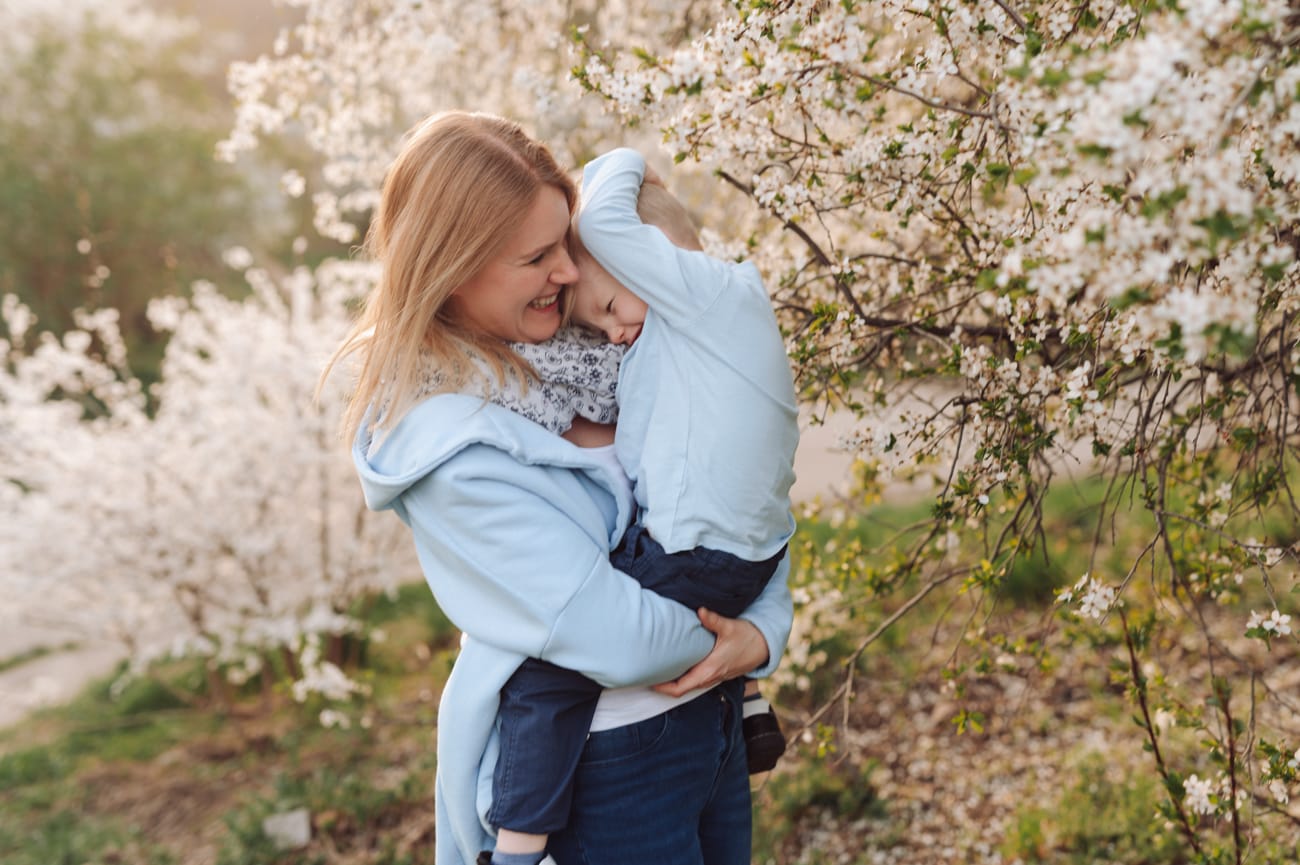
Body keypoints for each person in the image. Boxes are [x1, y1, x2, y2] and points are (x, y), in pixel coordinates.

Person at [327, 110, 794, 865]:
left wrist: (766, 629)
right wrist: (733, 639)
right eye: (539, 256)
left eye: (566, 244)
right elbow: (610, 632)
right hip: (608, 764)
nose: (570, 271)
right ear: (454, 265)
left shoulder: (609, 342)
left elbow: (740, 498)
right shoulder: (448, 445)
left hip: (710, 728)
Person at [485, 149, 800, 865]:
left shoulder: (710, 296)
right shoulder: (673, 347)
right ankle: (748, 700)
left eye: (604, 309)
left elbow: (602, 221)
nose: (615, 333)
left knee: (544, 672)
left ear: (649, 256)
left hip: (696, 578)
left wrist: (627, 162)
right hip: (711, 601)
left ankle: (514, 846)